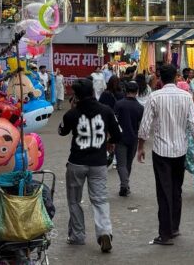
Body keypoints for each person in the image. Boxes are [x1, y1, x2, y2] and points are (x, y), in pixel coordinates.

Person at [137, 64, 194, 246]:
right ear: (176, 77)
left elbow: (145, 126)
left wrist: (140, 147)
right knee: (176, 189)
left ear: (160, 78)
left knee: (164, 192)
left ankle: (165, 234)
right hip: (180, 150)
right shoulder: (186, 97)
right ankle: (174, 227)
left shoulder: (155, 96)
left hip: (161, 151)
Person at [58, 78, 121, 252]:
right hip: (99, 163)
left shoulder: (72, 114)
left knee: (74, 201)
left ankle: (77, 236)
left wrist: (72, 109)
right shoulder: (106, 110)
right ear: (93, 91)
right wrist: (109, 142)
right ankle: (104, 232)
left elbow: (62, 131)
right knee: (100, 200)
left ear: (76, 96)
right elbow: (118, 134)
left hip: (76, 162)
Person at [113, 81, 144, 197]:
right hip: (133, 138)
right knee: (128, 163)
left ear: (125, 90)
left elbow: (114, 120)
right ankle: (125, 185)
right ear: (137, 92)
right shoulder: (140, 107)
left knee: (121, 164)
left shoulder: (119, 104)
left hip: (120, 137)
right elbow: (141, 125)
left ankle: (124, 185)